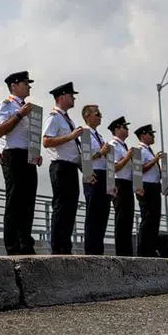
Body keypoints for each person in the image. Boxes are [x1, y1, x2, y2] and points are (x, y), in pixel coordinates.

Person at [0, 71, 38, 255]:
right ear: (14, 85)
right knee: (14, 201)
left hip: (27, 156)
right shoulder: (6, 105)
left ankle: (25, 243)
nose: (29, 86)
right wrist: (19, 115)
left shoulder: (28, 108)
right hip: (12, 155)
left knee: (28, 201)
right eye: (25, 83)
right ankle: (12, 245)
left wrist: (36, 152)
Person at [43, 82, 84, 255]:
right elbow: (46, 141)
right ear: (61, 97)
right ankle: (58, 246)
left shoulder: (67, 119)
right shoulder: (54, 117)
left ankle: (65, 245)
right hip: (61, 166)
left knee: (70, 208)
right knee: (61, 207)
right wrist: (71, 136)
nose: (73, 98)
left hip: (71, 167)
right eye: (70, 95)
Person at [80, 104, 113, 255]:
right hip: (93, 175)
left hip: (104, 175)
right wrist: (101, 153)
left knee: (102, 215)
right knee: (93, 215)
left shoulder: (99, 136)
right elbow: (85, 158)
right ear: (87, 116)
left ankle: (98, 249)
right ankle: (91, 250)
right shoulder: (85, 134)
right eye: (96, 114)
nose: (100, 116)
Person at [107, 116, 136, 256]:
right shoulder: (112, 145)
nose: (127, 129)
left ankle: (127, 251)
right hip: (119, 183)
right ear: (117, 129)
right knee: (122, 219)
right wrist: (128, 157)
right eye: (124, 127)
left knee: (128, 219)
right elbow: (114, 167)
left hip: (128, 184)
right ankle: (122, 252)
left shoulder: (123, 146)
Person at [135, 125, 164, 257]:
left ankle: (151, 248)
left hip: (155, 186)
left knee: (155, 219)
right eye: (150, 134)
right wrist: (155, 160)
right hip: (146, 186)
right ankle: (144, 250)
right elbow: (140, 169)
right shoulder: (139, 150)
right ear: (143, 135)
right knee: (147, 218)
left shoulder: (149, 150)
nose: (153, 136)